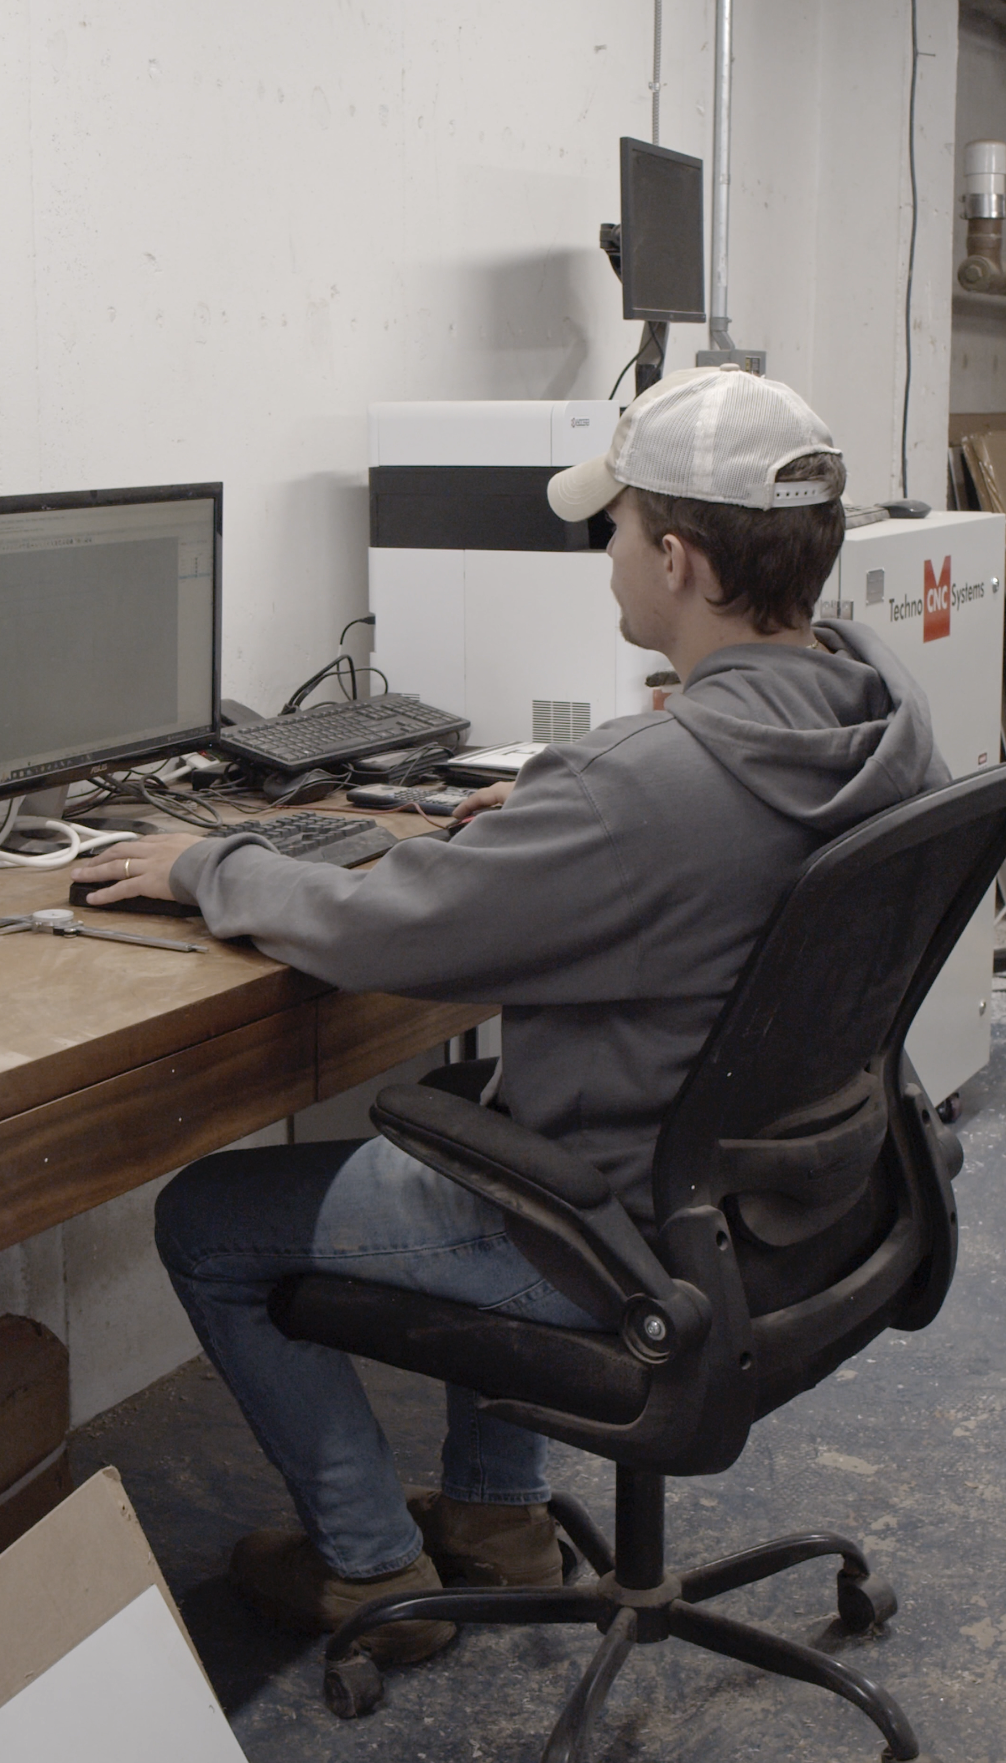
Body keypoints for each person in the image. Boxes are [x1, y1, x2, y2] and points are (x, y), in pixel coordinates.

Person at [71, 364, 948, 1668]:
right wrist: (551, 813)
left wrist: (209, 864)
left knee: (206, 1215)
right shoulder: (881, 708)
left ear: (678, 557)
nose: (599, 550)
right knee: (481, 1112)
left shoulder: (638, 790)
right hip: (797, 1203)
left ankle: (362, 1564)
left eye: (614, 526)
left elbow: (387, 931)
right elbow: (681, 846)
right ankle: (495, 1518)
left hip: (621, 1234)